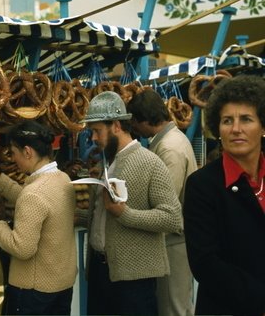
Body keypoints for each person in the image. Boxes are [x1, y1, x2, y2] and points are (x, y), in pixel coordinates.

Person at [80, 91, 183, 315]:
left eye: (97, 131)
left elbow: (172, 218)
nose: (94, 138)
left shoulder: (150, 162)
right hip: (101, 272)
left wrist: (125, 214)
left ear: (116, 125)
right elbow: (103, 215)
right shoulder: (109, 162)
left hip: (134, 280)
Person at [183, 74, 265, 315]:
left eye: (246, 119)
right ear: (217, 129)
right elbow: (205, 263)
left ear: (263, 127)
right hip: (228, 307)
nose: (236, 129)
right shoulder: (202, 185)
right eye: (227, 120)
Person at [0, 120, 78, 315]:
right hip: (61, 285)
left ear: (27, 151)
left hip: (33, 290)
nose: (13, 159)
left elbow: (22, 248)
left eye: (14, 153)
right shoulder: (63, 180)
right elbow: (40, 206)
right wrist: (2, 181)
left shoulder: (33, 194)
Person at [127, 89, 197, 316]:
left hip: (174, 243)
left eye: (135, 122)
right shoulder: (170, 140)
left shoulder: (169, 148)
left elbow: (167, 201)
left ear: (145, 120)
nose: (134, 128)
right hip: (173, 241)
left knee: (173, 308)